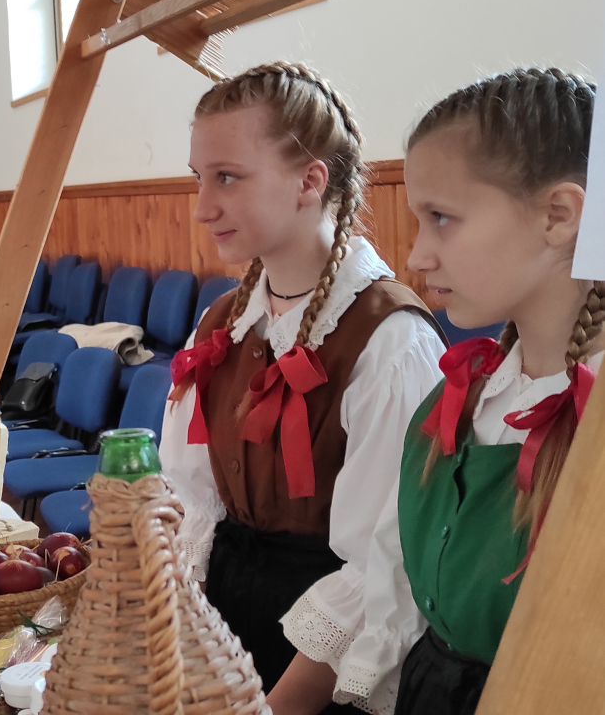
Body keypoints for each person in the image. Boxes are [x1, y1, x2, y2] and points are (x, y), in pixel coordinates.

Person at [159, 62, 447, 710]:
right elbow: (190, 497)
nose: (202, 207)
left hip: (318, 670)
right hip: (220, 632)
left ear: (309, 182)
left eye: (227, 177)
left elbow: (385, 566)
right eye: (198, 178)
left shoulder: (390, 341)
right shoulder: (223, 322)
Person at [312, 69, 599, 715]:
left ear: (559, 216)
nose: (417, 256)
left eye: (441, 219)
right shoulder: (457, 400)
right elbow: (396, 581)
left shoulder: (592, 423)